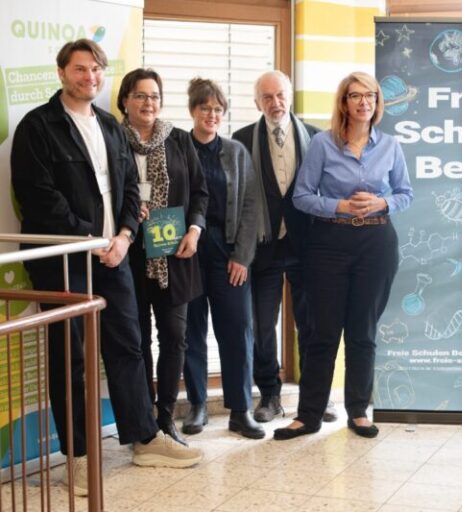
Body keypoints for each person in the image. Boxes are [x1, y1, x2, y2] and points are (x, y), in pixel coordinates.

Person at [10, 39, 202, 496]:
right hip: (63, 258)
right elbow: (38, 198)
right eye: (80, 69)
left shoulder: (110, 128)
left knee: (128, 346)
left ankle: (144, 438)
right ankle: (77, 457)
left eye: (96, 70)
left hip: (114, 255)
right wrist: (90, 238)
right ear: (61, 73)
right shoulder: (39, 127)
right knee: (71, 356)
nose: (89, 77)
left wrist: (124, 237)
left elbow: (130, 192)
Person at [274, 71, 413, 440]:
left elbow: (406, 193)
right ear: (344, 103)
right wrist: (340, 207)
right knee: (322, 333)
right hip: (329, 245)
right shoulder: (322, 144)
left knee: (362, 332)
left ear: (377, 102)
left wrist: (382, 201)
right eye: (356, 96)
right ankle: (308, 415)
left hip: (377, 245)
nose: (364, 102)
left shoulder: (390, 145)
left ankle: (358, 411)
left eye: (370, 95)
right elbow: (302, 196)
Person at [231, 72, 332, 423]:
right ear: (257, 102)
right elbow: (239, 199)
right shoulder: (241, 140)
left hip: (307, 246)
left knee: (312, 324)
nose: (275, 103)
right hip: (264, 246)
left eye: (280, 96)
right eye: (267, 97)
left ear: (290, 97)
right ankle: (269, 395)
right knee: (262, 325)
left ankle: (313, 397)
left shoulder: (319, 138)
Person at [117, 68, 208, 446]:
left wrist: (195, 229)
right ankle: (143, 421)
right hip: (128, 255)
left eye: (154, 95)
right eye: (140, 95)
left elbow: (200, 193)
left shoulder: (180, 140)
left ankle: (167, 416)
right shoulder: (111, 139)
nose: (148, 102)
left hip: (174, 251)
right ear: (125, 100)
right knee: (135, 341)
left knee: (174, 337)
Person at [182, 78, 270, 439]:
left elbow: (251, 207)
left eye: (218, 109)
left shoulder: (235, 152)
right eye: (205, 108)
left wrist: (242, 258)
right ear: (193, 110)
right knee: (190, 330)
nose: (212, 115)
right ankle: (198, 405)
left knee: (237, 330)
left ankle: (239, 409)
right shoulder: (176, 148)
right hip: (185, 252)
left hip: (228, 252)